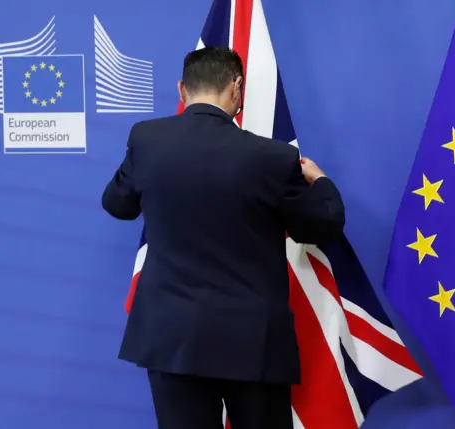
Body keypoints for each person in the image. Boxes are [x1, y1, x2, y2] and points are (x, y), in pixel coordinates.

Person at [101, 46, 346, 429]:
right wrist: (322, 183)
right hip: (253, 342)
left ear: (182, 89)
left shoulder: (146, 140)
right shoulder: (272, 158)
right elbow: (319, 226)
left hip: (172, 337)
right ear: (237, 88)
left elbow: (118, 204)